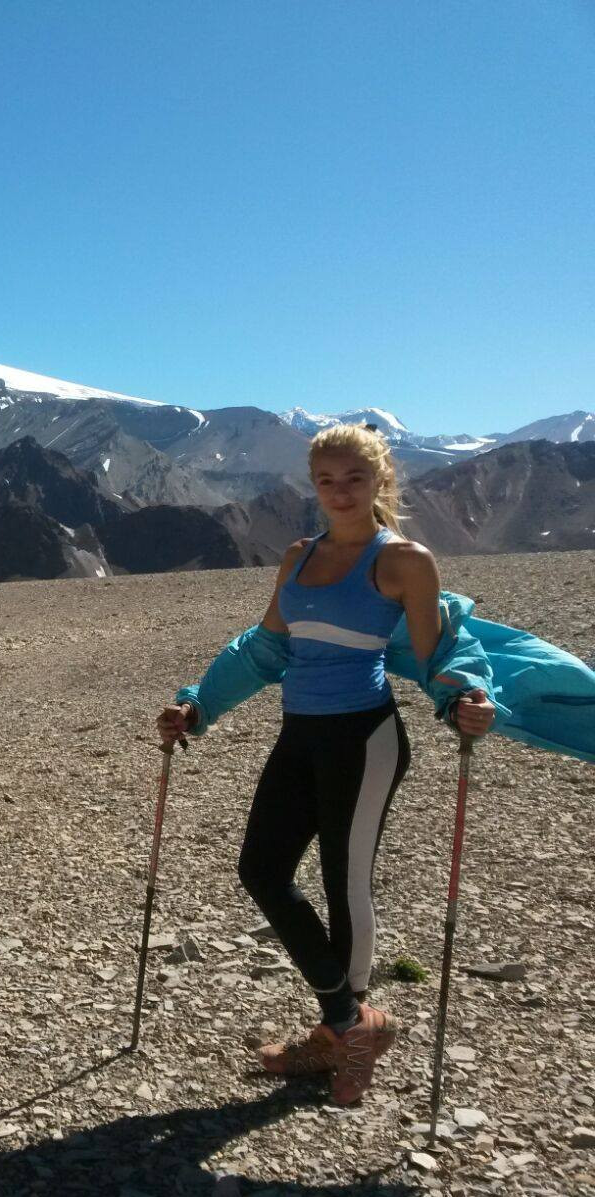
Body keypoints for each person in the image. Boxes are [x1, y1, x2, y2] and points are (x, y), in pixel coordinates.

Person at [156, 423, 496, 1106]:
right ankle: (351, 1023)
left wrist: (466, 699)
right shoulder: (298, 556)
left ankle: (340, 1032)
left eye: (354, 479)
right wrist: (200, 707)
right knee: (261, 869)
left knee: (346, 885)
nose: (340, 493)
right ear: (312, 485)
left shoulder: (404, 561)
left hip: (364, 741)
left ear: (379, 481)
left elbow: (434, 657)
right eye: (326, 480)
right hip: (301, 734)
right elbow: (264, 651)